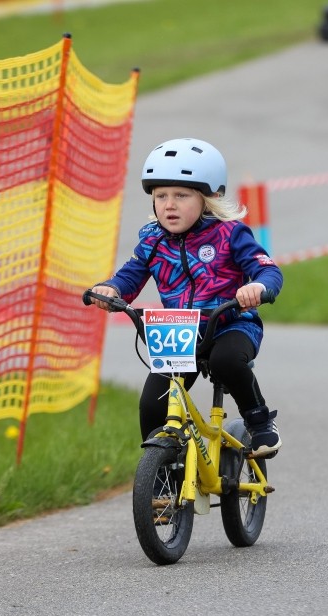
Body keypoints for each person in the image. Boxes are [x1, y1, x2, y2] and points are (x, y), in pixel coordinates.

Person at [88, 138, 284, 458]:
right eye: (161, 196)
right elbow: (130, 275)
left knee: (226, 361)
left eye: (181, 195)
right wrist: (111, 289)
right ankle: (161, 469)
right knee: (153, 402)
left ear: (208, 199)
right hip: (181, 332)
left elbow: (267, 270)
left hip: (231, 324)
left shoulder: (230, 234)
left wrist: (259, 287)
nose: (169, 205)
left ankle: (259, 422)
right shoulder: (152, 240)